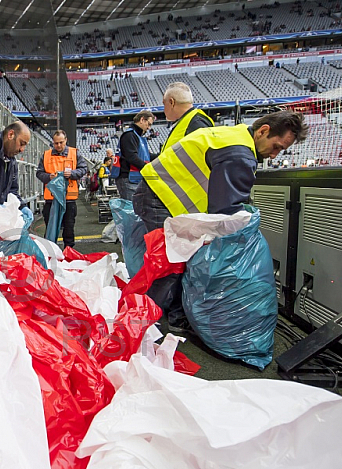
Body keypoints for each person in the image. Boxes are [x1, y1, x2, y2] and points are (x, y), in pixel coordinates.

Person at [136, 110, 308, 333]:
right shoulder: (240, 154)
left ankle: (172, 317)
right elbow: (225, 212)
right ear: (263, 131)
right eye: (276, 147)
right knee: (170, 265)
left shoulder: (235, 134)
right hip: (159, 197)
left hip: (157, 192)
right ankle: (147, 325)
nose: (274, 155)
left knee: (174, 261)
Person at [133, 82, 214, 333]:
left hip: (163, 201)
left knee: (168, 261)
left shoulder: (192, 125)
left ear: (170, 103)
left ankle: (155, 315)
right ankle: (154, 317)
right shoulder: (191, 124)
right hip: (163, 201)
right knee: (168, 261)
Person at [35, 130, 88, 249]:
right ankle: (50, 253)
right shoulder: (46, 155)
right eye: (56, 143)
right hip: (51, 200)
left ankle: (68, 253)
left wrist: (72, 174)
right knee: (50, 229)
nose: (58, 145)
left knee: (69, 229)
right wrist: (49, 177)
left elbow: (84, 168)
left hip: (69, 199)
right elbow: (39, 173)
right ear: (52, 143)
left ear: (66, 140)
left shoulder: (75, 153)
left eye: (61, 142)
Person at [117, 110, 155, 200]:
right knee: (132, 211)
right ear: (142, 120)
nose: (149, 128)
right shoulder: (130, 135)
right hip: (128, 179)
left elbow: (146, 155)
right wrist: (148, 169)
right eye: (148, 124)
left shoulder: (136, 136)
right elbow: (132, 157)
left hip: (134, 178)